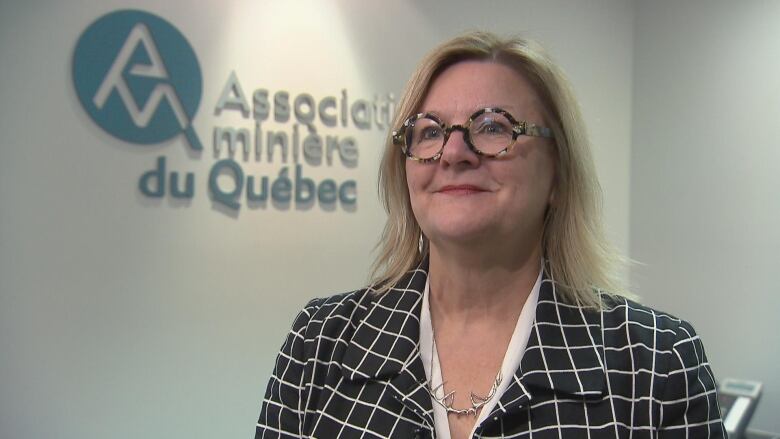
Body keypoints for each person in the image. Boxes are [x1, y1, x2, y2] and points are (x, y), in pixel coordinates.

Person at [255, 31, 725, 438]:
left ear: (558, 175)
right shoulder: (320, 343)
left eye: (493, 126)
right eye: (429, 132)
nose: (454, 152)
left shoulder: (656, 364)